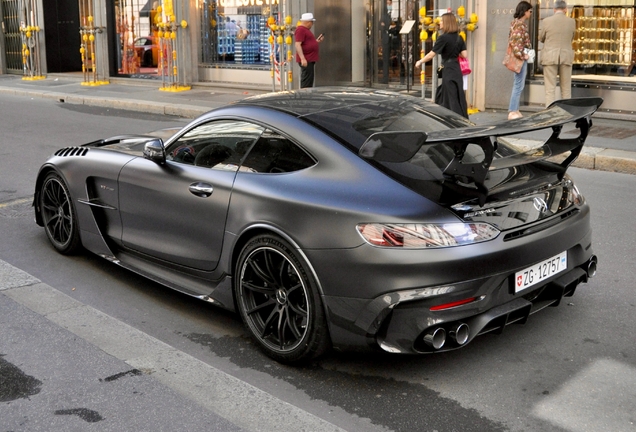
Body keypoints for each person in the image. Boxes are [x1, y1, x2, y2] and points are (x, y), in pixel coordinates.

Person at [415, 13, 468, 118]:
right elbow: (464, 54)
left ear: (447, 23)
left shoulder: (443, 38)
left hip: (448, 69)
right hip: (456, 69)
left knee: (450, 97)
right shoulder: (459, 38)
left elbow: (431, 54)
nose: (440, 22)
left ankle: (454, 120)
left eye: (442, 21)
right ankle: (459, 118)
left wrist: (420, 61)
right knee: (457, 95)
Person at [539, 0, 576, 107]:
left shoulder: (546, 21)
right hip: (566, 56)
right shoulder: (571, 21)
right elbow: (572, 38)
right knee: (566, 89)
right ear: (565, 9)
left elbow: (541, 38)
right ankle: (566, 113)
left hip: (550, 57)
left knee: (550, 89)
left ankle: (551, 114)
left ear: (554, 9)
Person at [507, 1, 533, 120]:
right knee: (518, 84)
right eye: (530, 11)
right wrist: (523, 55)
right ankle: (512, 111)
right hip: (520, 59)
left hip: (519, 58)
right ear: (525, 11)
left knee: (518, 84)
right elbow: (516, 43)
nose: (530, 14)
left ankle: (515, 109)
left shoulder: (517, 24)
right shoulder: (519, 25)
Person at [295, 13, 324, 88]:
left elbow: (307, 43)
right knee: (307, 80)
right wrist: (303, 58)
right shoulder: (301, 30)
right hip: (307, 59)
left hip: (309, 59)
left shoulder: (305, 30)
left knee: (309, 79)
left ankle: (306, 94)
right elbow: (298, 44)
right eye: (312, 23)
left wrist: (316, 41)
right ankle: (305, 96)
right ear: (308, 22)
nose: (312, 24)